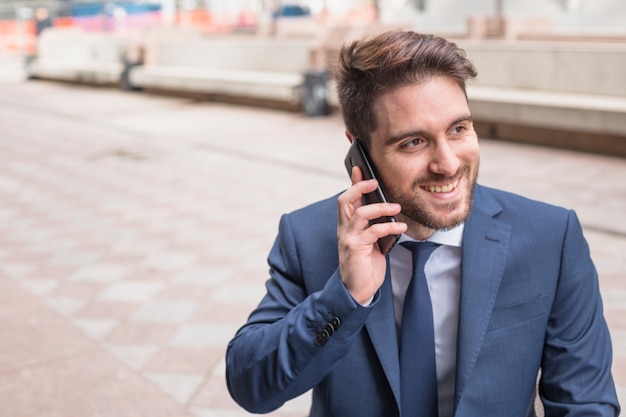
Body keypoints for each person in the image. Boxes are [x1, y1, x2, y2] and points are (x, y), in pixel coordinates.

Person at [225, 30, 620, 417]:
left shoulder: (551, 237)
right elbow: (251, 387)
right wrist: (346, 296)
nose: (447, 164)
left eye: (458, 129)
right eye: (413, 142)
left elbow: (585, 402)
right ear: (359, 149)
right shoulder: (308, 236)